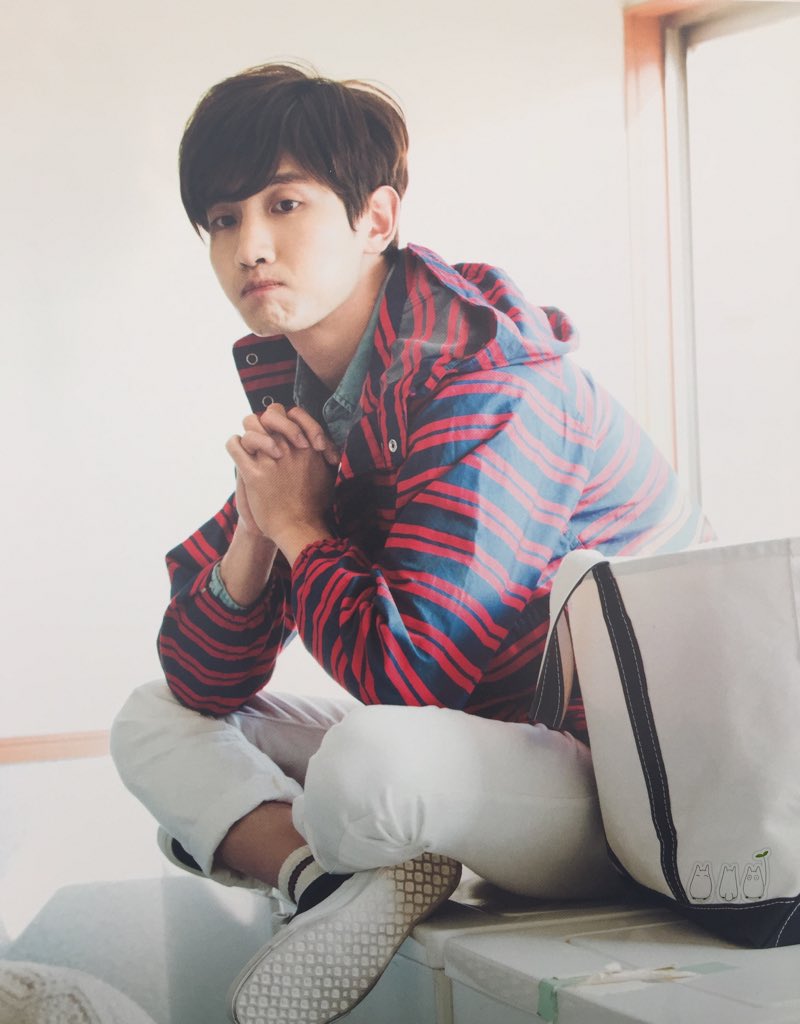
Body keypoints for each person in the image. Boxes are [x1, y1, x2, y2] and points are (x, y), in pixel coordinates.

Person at [111, 62, 711, 1024]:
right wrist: (259, 534)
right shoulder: (315, 399)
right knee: (151, 720)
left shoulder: (490, 384)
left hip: (634, 789)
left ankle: (311, 851)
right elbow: (198, 683)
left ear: (376, 219)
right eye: (223, 219)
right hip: (484, 754)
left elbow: (411, 675)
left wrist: (298, 524)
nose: (249, 246)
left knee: (372, 762)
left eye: (284, 204)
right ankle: (321, 881)